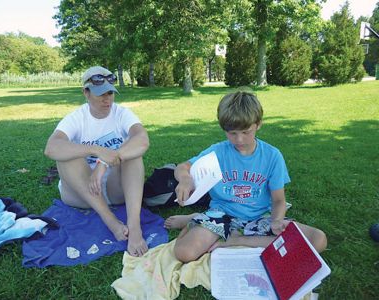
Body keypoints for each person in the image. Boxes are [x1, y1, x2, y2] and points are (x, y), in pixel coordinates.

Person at [167, 91, 327, 263]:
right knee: (184, 253)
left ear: (258, 124)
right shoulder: (218, 151)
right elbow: (184, 167)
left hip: (260, 217)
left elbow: (279, 200)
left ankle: (237, 240)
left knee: (318, 240)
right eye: (232, 133)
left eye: (246, 132)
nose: (239, 140)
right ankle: (198, 219)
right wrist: (185, 179)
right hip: (222, 214)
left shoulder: (272, 156)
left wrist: (277, 220)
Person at [44, 66, 149, 257]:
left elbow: (142, 140)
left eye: (110, 93)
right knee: (66, 157)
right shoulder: (77, 118)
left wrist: (104, 163)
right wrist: (96, 150)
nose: (107, 98)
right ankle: (110, 220)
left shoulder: (122, 114)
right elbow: (51, 148)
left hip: (115, 189)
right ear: (86, 93)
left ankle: (134, 227)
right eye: (100, 93)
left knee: (133, 155)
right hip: (82, 194)